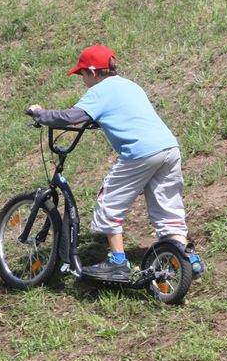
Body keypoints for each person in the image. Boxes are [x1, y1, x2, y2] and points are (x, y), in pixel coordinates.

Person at [27, 44, 204, 277]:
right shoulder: (130, 85)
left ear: (92, 72)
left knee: (109, 201)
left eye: (82, 74)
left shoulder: (101, 90)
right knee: (167, 206)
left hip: (141, 152)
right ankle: (186, 257)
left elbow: (70, 117)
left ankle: (117, 261)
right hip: (169, 148)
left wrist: (39, 113)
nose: (83, 80)